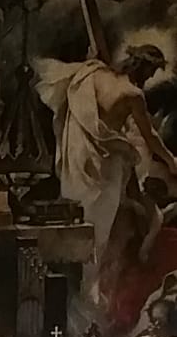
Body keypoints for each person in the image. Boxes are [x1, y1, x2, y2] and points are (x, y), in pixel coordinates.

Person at [35, 45, 177, 260]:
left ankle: (80, 270)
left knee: (80, 216)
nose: (150, 77)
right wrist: (171, 160)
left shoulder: (96, 74)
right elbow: (150, 136)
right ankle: (86, 272)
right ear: (143, 67)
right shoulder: (133, 95)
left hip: (80, 155)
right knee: (97, 224)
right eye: (152, 71)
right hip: (104, 165)